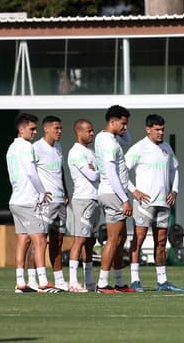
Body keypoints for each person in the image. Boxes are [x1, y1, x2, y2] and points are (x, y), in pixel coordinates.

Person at [126, 114, 182, 292]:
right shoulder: (139, 148)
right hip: (145, 203)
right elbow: (121, 171)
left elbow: (175, 170)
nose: (161, 132)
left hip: (163, 202)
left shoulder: (167, 148)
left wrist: (174, 190)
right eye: (157, 129)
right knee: (139, 239)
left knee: (161, 241)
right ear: (148, 129)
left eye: (162, 129)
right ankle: (135, 280)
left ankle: (162, 281)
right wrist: (134, 190)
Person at [7, 113, 58, 293]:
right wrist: (42, 191)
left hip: (15, 200)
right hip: (27, 200)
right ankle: (43, 281)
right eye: (32, 129)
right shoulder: (26, 147)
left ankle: (21, 281)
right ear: (21, 129)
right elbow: (30, 171)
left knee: (23, 240)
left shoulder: (11, 148)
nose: (35, 132)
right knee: (40, 240)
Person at [95, 104, 141, 293]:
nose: (125, 128)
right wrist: (124, 199)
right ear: (112, 122)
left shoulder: (104, 136)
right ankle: (103, 284)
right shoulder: (109, 143)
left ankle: (120, 282)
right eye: (122, 124)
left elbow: (127, 140)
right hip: (113, 194)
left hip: (113, 194)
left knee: (120, 239)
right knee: (113, 240)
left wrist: (120, 130)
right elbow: (111, 173)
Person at [33, 115, 70, 291]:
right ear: (46, 129)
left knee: (58, 240)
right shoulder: (36, 148)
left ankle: (59, 279)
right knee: (39, 240)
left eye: (60, 128)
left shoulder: (59, 147)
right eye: (56, 128)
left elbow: (60, 170)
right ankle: (34, 280)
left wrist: (66, 191)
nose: (59, 131)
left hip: (60, 200)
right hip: (45, 202)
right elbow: (29, 173)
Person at [67, 119, 101, 292]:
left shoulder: (91, 152)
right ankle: (73, 282)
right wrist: (100, 170)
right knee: (79, 240)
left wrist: (97, 170)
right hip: (83, 200)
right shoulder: (76, 152)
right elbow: (93, 176)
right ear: (79, 132)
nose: (92, 133)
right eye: (89, 131)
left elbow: (96, 173)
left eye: (92, 130)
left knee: (90, 241)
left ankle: (88, 281)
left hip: (94, 199)